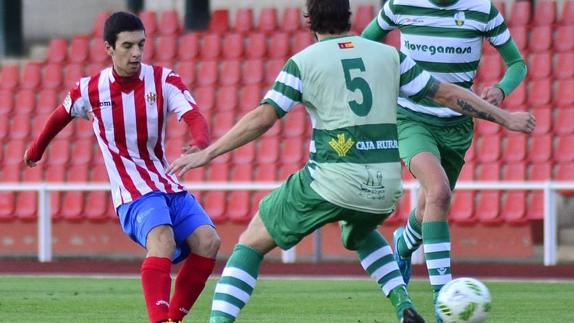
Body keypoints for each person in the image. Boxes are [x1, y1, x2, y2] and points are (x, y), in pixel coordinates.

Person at [169, 0, 533, 322]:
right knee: (359, 232)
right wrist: (505, 118)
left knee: (250, 242)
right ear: (350, 17)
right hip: (384, 187)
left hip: (331, 178)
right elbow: (448, 93)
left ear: (307, 19)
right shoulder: (388, 56)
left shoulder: (303, 62)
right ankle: (404, 304)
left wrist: (208, 152)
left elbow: (263, 118)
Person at [24, 11, 220, 323]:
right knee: (162, 239)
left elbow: (193, 114)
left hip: (166, 182)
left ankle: (173, 318)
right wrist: (36, 150)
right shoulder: (89, 89)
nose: (137, 53)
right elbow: (59, 116)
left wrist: (200, 141)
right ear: (108, 48)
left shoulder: (163, 79)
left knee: (209, 241)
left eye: (141, 45)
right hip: (133, 193)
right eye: (128, 46)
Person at [361, 0, 529, 318]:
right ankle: (444, 300)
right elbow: (365, 45)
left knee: (429, 207)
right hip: (410, 118)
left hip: (457, 125)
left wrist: (500, 90)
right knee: (439, 192)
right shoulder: (400, 5)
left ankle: (403, 243)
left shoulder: (482, 10)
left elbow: (517, 63)